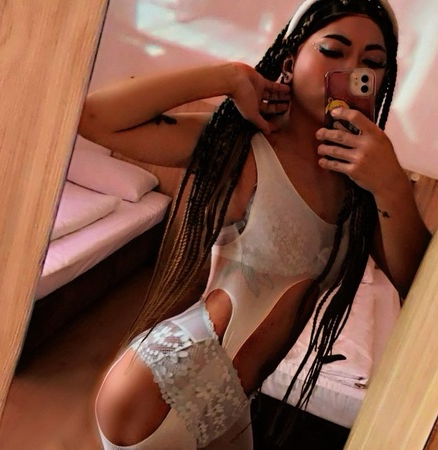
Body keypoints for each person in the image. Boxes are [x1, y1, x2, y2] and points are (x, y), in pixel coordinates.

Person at [78, 0, 431, 448]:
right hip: (163, 390)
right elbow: (94, 118)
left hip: (233, 401)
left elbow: (419, 285)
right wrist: (226, 77)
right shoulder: (241, 145)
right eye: (332, 51)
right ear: (290, 61)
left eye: (372, 63)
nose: (350, 70)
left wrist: (392, 185)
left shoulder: (363, 188)